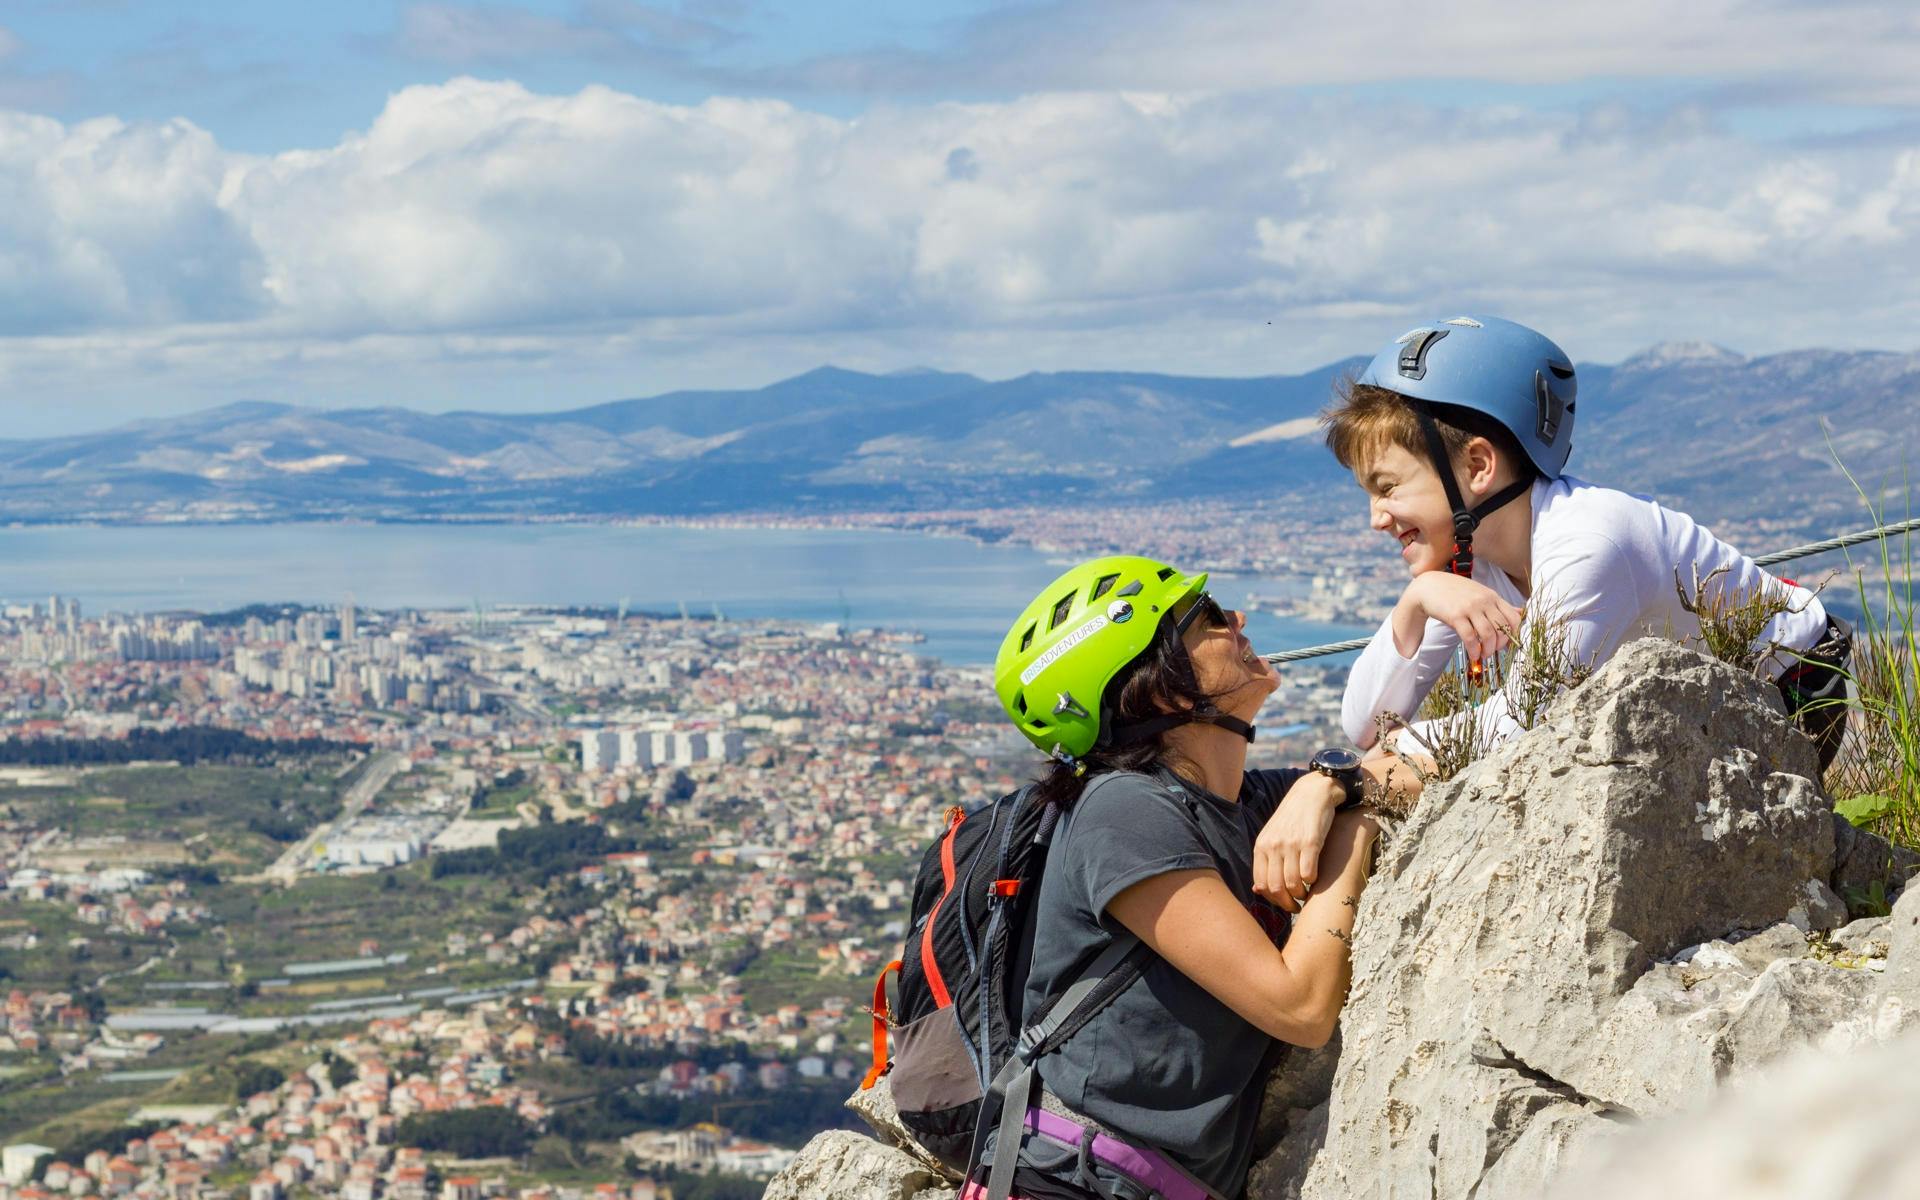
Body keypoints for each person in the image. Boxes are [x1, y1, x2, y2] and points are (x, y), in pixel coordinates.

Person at [970, 554, 1392, 1200]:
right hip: (1079, 1181)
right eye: (1210, 617)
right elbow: (1301, 1007)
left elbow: (1411, 768)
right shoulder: (1123, 813)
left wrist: (1328, 786)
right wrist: (1353, 827)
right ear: (1160, 687)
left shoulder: (1241, 803)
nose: (1239, 619)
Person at [1322, 314, 1851, 769]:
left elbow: (1521, 725)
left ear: (1479, 466)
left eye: (1387, 488)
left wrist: (1382, 757)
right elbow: (1364, 724)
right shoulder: (1469, 554)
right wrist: (1415, 602)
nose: (1376, 519)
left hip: (1792, 693)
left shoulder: (1588, 542)